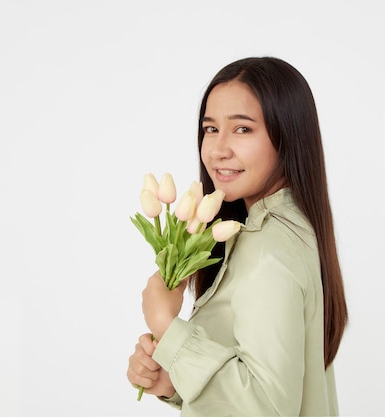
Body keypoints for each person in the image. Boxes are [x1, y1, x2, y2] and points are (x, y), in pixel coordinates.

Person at [127, 56, 348, 416]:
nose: (218, 149)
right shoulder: (271, 230)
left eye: (242, 129)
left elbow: (268, 407)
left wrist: (167, 326)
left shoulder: (271, 246)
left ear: (287, 136)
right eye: (211, 129)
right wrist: (174, 380)